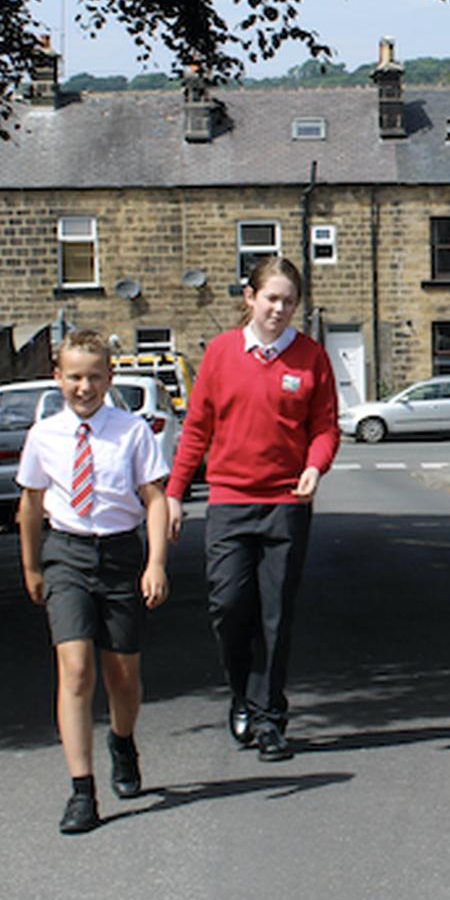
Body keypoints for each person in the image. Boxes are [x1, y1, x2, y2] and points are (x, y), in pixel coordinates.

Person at [166, 254, 339, 762]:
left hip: (286, 501)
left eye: (289, 301)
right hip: (229, 500)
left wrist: (316, 465)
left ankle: (269, 717)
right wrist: (175, 492)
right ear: (250, 298)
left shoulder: (310, 358)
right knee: (228, 606)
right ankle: (240, 693)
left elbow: (325, 426)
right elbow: (197, 427)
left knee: (276, 614)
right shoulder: (221, 354)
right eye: (271, 299)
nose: (279, 309)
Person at [15, 329, 171, 835]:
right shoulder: (43, 436)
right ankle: (82, 791)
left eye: (95, 377)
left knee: (121, 674)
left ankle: (122, 741)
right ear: (57, 378)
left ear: (110, 378)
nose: (84, 387)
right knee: (76, 669)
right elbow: (31, 506)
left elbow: (155, 500)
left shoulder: (131, 432)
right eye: (74, 377)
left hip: (120, 553)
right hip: (67, 553)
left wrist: (155, 564)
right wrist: (33, 566)